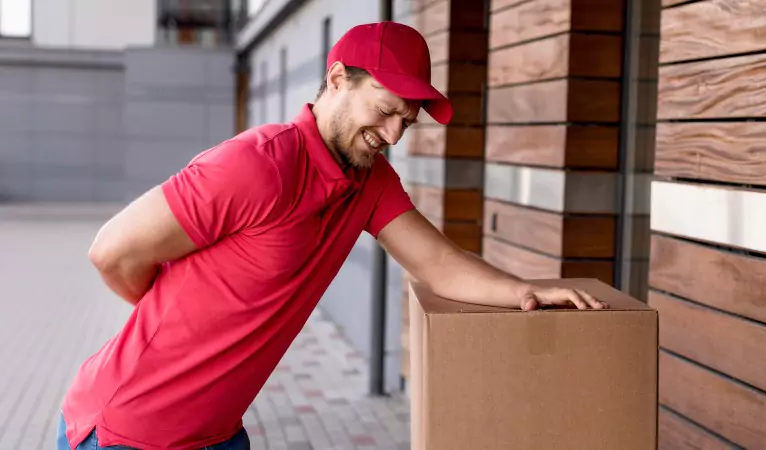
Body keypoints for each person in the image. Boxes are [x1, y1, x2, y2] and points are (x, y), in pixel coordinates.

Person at [57, 21, 606, 450]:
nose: (393, 134)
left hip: (217, 433)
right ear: (339, 78)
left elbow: (437, 262)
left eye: (406, 122)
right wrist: (167, 319)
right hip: (126, 432)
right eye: (386, 110)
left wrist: (525, 291)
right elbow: (111, 251)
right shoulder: (260, 164)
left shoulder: (369, 180)